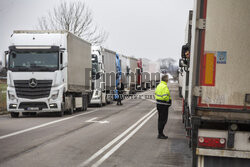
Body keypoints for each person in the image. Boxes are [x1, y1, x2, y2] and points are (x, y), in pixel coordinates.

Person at [155, 75, 172, 139]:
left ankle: (160, 133)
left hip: (159, 104)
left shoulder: (159, 85)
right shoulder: (165, 86)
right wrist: (169, 101)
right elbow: (165, 96)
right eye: (168, 79)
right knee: (163, 120)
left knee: (160, 119)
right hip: (163, 105)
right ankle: (160, 134)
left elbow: (156, 93)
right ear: (166, 80)